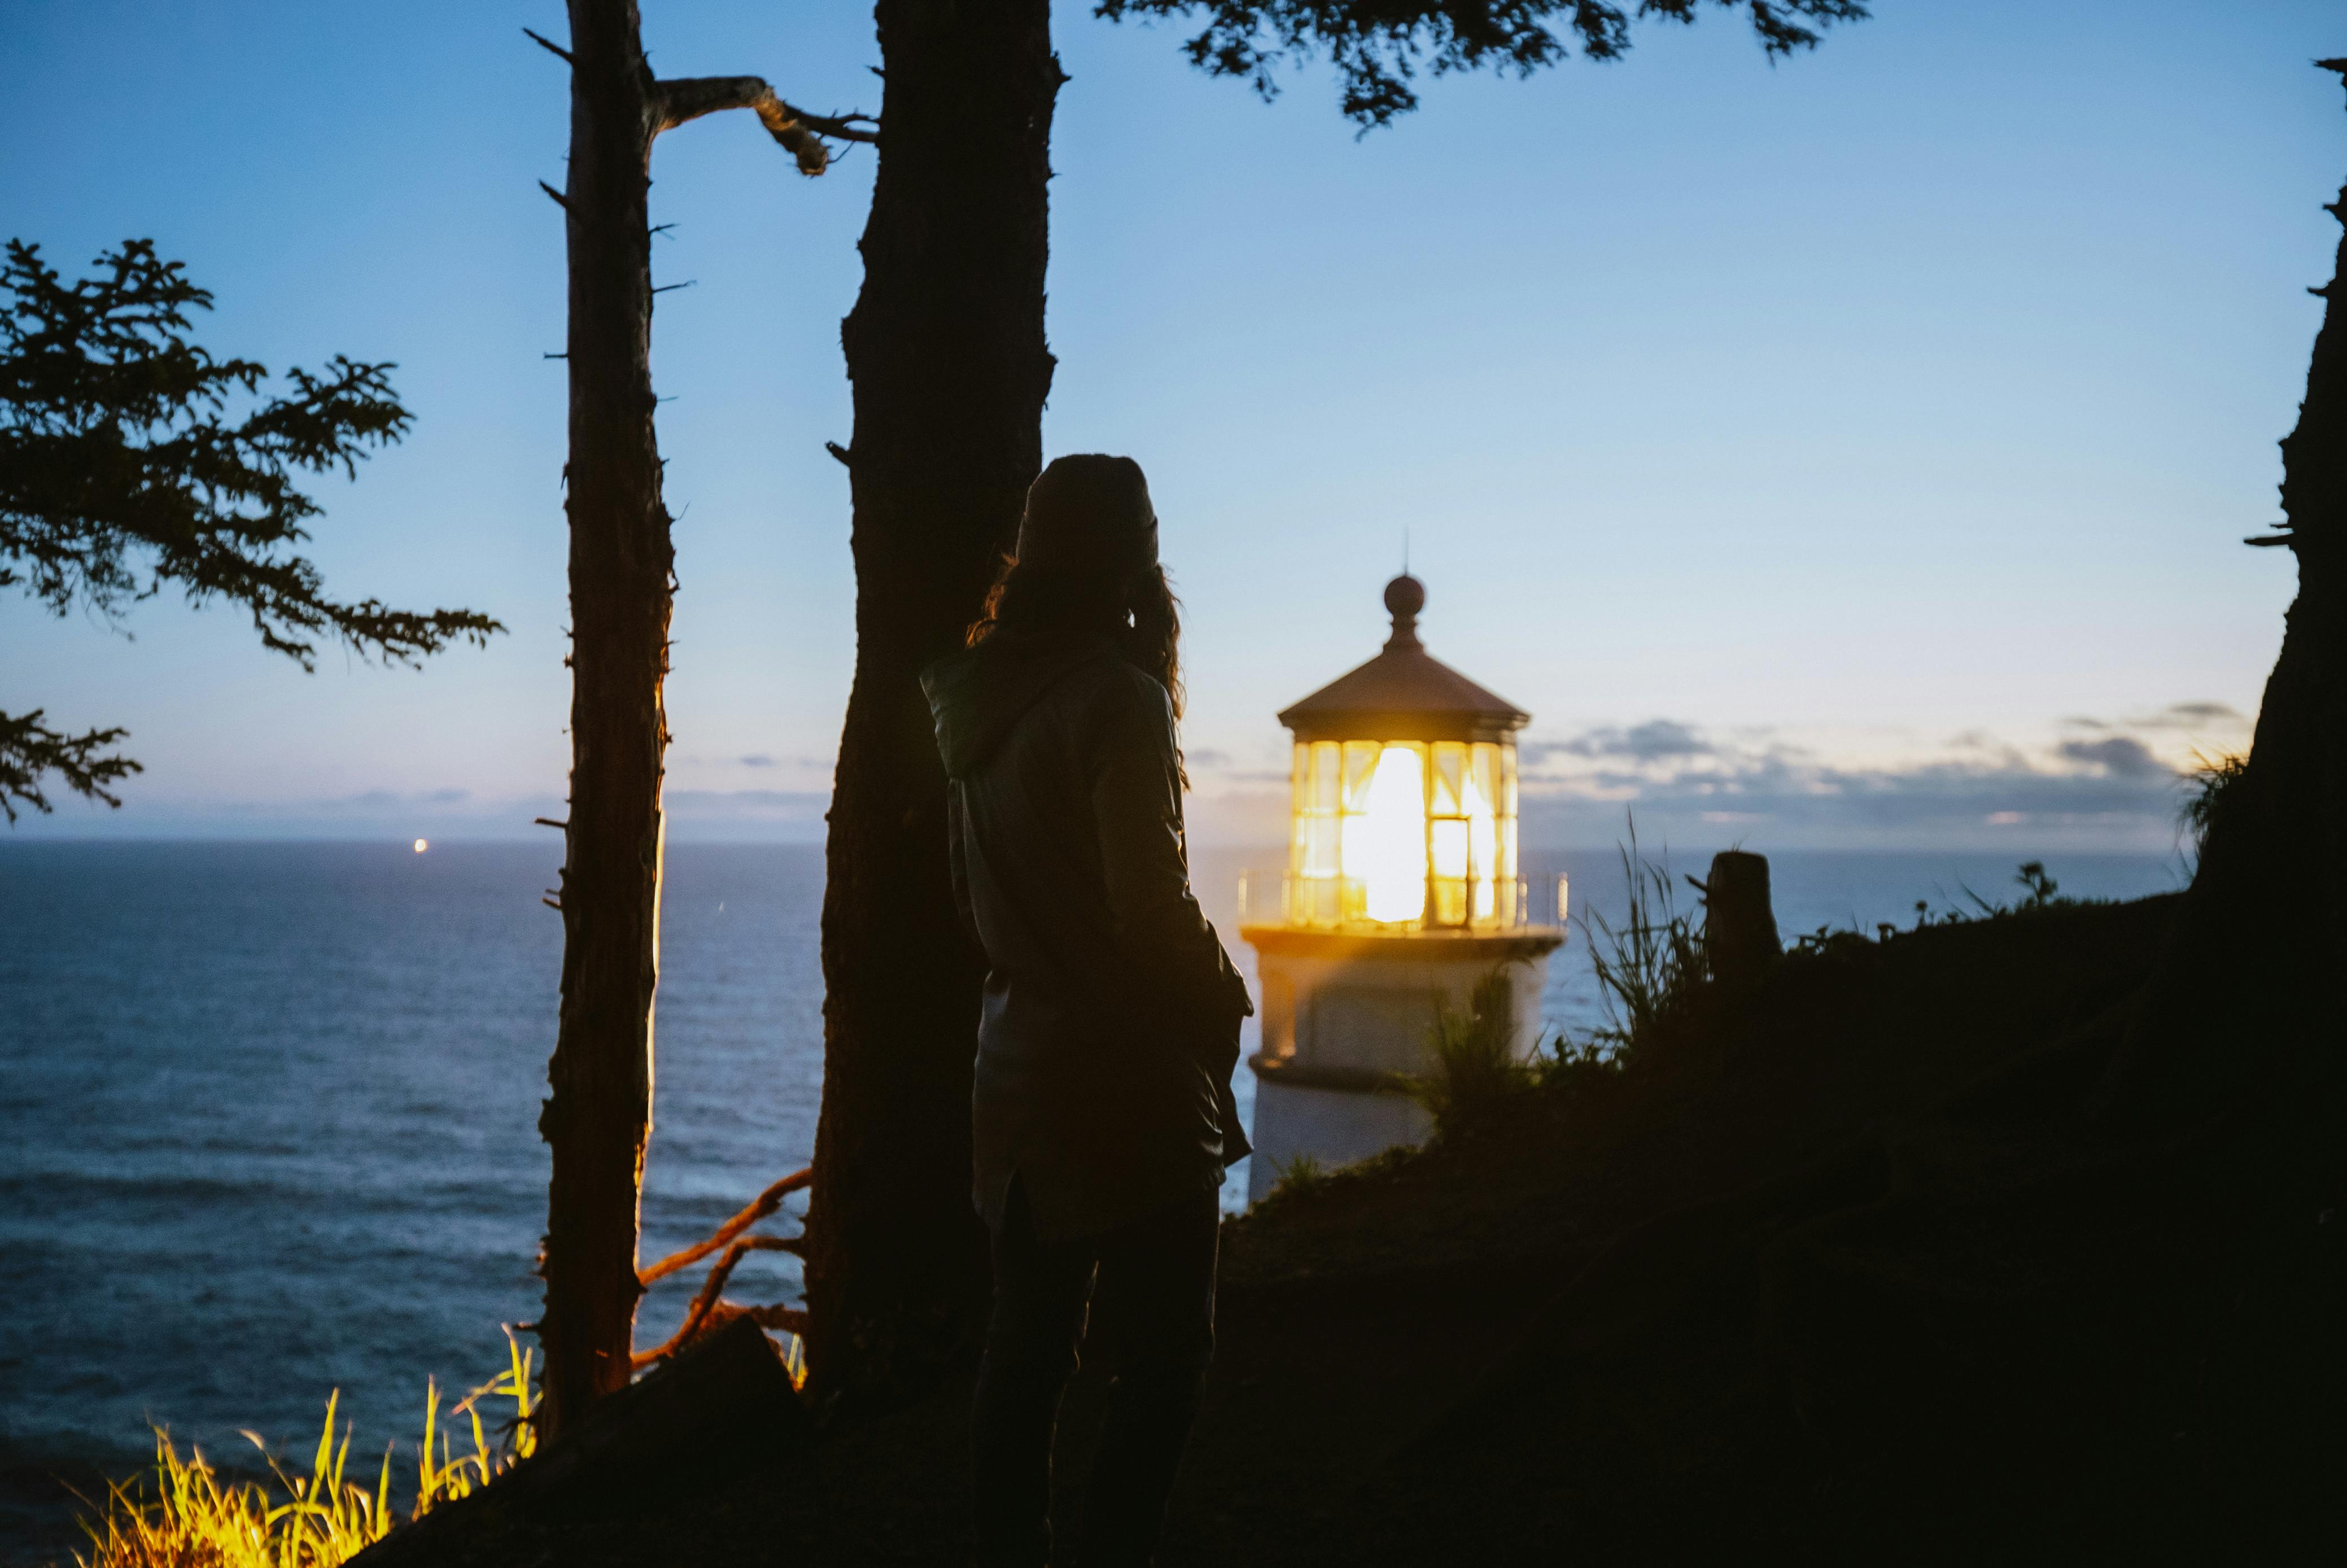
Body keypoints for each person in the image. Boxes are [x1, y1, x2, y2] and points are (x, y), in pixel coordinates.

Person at [922, 453, 1254, 1567]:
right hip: (1129, 1078)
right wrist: (1224, 988)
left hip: (1012, 1072)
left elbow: (974, 899)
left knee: (1025, 1350)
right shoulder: (1118, 694)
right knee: (1167, 1357)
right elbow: (1149, 907)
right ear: (1131, 552)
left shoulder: (973, 696)